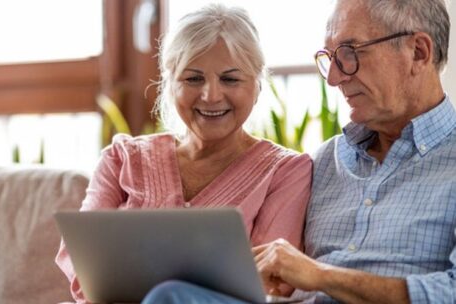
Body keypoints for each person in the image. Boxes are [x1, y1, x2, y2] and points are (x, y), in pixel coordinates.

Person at [143, 0, 456, 303]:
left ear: (418, 52)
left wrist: (322, 276)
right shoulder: (322, 163)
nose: (333, 78)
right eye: (329, 58)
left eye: (349, 53)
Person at [55, 3, 312, 303]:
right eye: (193, 78)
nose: (211, 95)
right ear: (170, 85)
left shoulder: (286, 171)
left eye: (230, 79)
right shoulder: (121, 158)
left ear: (257, 85)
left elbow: (270, 283)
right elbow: (84, 260)